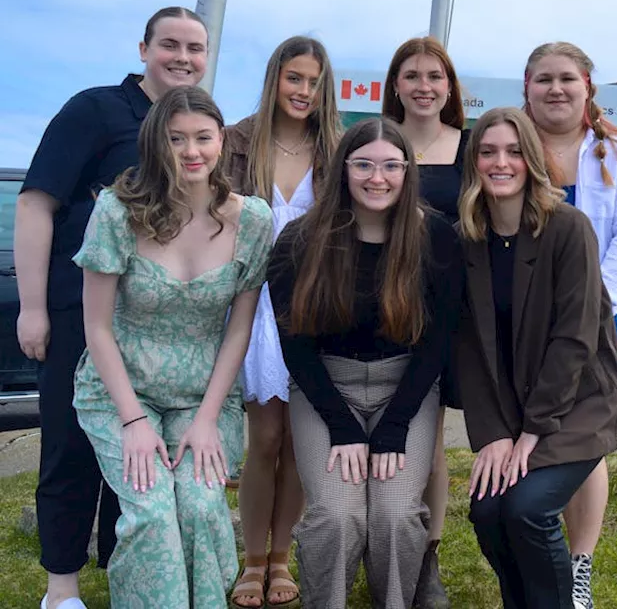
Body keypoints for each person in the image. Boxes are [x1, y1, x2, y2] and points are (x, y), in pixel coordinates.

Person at [15, 5, 209, 609]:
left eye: (195, 48)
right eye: (169, 45)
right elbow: (35, 204)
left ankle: (120, 569)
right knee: (70, 445)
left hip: (155, 322)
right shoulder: (95, 109)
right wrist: (33, 308)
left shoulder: (197, 127)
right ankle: (62, 589)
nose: (182, 57)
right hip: (82, 310)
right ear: (143, 48)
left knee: (137, 454)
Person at [71, 85, 274, 607]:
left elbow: (238, 329)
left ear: (221, 141)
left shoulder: (252, 220)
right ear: (154, 142)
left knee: (204, 506)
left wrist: (208, 418)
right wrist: (134, 422)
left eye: (203, 137)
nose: (191, 151)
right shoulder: (117, 212)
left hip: (202, 396)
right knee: (152, 511)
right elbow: (96, 328)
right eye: (176, 138)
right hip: (121, 392)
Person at [267, 117, 463, 609]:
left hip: (406, 389)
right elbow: (294, 344)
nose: (378, 178)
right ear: (343, 170)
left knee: (396, 516)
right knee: (336, 515)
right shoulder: (300, 240)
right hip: (328, 388)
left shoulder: (435, 237)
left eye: (392, 166)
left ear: (407, 171)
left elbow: (437, 341)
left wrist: (395, 425)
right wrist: (343, 427)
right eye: (364, 165)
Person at [455, 107, 617, 609]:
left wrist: (531, 432)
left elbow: (574, 340)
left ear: (532, 159)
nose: (500, 163)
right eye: (488, 152)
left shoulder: (569, 228)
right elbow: (467, 346)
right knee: (488, 511)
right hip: (510, 410)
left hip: (577, 404)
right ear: (474, 162)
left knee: (526, 508)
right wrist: (491, 435)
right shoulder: (467, 238)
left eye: (513, 151)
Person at [522, 41, 617, 609]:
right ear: (526, 88)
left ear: (587, 88)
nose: (556, 89)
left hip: (600, 316)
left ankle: (579, 568)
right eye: (543, 79)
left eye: (567, 79)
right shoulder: (511, 148)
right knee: (533, 430)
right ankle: (533, 551)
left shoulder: (613, 153)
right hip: (524, 320)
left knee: (588, 445)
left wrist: (591, 305)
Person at [223, 34, 343, 609]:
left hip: (314, 307)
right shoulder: (234, 142)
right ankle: (251, 560)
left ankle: (281, 558)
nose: (304, 91)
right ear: (276, 79)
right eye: (295, 78)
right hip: (251, 305)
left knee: (299, 440)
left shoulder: (337, 149)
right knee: (264, 437)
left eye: (314, 82)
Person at [382, 35, 468, 609]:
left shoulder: (471, 146)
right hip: (381, 305)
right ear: (394, 85)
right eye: (411, 75)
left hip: (448, 308)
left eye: (434, 76)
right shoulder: (376, 143)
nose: (423, 86)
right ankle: (377, 547)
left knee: (429, 438)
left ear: (450, 86)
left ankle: (425, 556)